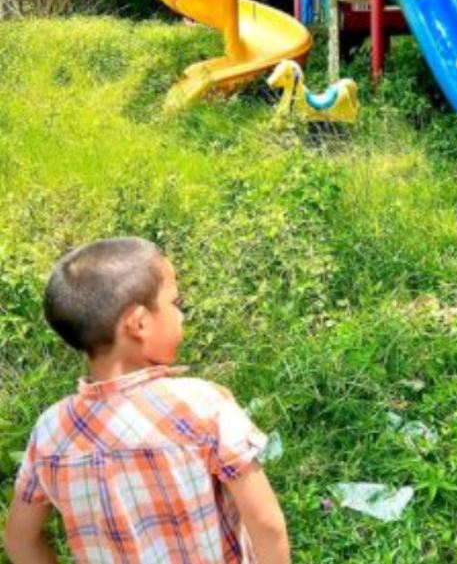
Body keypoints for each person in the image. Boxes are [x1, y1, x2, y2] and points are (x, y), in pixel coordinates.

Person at [3, 237, 290, 564]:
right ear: (139, 323)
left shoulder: (51, 432)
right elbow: (265, 523)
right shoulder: (202, 405)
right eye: (174, 302)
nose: (181, 315)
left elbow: (19, 540)